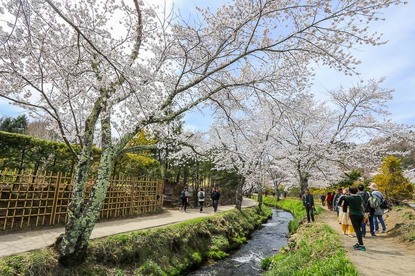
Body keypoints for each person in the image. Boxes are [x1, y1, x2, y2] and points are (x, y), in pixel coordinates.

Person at [344, 186, 366, 251]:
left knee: (357, 230)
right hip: (360, 215)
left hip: (354, 215)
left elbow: (343, 199)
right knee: (359, 229)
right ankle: (359, 243)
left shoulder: (349, 197)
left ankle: (361, 245)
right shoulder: (359, 197)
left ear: (350, 191)